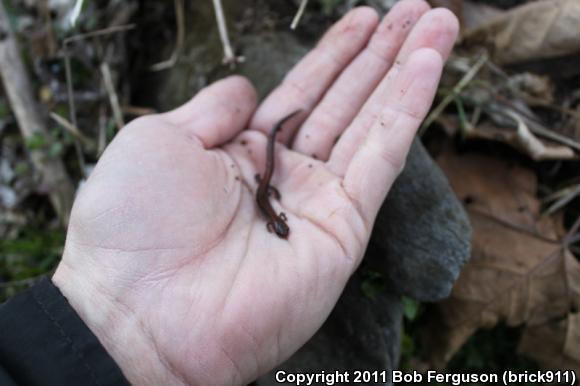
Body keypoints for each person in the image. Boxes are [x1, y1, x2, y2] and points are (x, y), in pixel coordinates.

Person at [0, 1, 458, 384]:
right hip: (263, 186)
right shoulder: (271, 213)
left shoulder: (273, 211)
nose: (280, 230)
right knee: (269, 176)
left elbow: (269, 203)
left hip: (265, 185)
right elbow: (268, 205)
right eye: (280, 229)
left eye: (279, 229)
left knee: (270, 176)